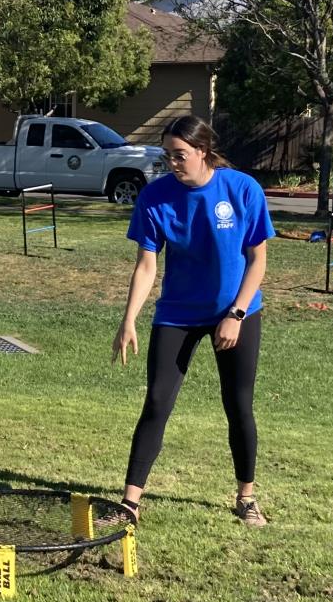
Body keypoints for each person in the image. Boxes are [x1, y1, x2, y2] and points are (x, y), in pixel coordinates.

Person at [102, 115, 273, 530]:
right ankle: (129, 503)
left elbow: (258, 260)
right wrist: (129, 321)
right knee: (157, 402)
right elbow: (146, 267)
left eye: (180, 155)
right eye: (168, 156)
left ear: (203, 151)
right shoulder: (156, 198)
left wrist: (235, 314)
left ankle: (246, 497)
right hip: (177, 313)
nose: (173, 163)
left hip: (235, 312)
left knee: (238, 406)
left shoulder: (241, 189)